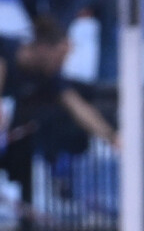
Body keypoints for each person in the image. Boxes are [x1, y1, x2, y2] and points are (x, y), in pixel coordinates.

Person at [0, 15, 118, 205]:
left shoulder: (48, 76)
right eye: (60, 56)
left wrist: (111, 136)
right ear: (43, 48)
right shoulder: (6, 49)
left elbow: (77, 106)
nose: (62, 63)